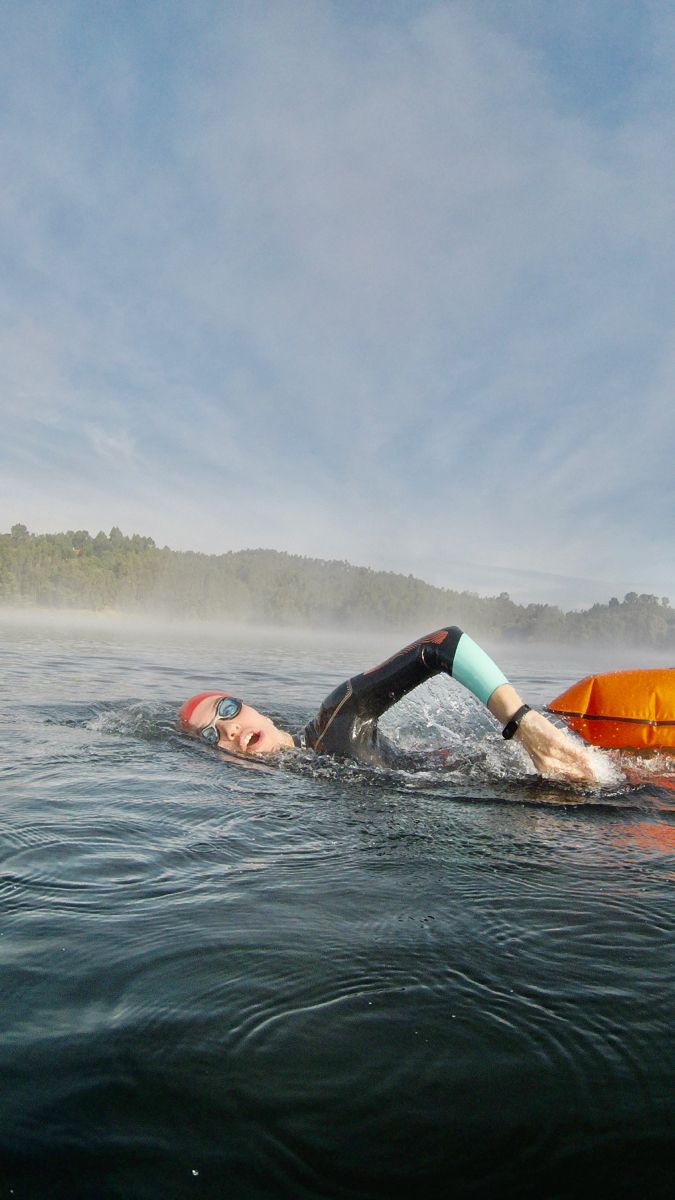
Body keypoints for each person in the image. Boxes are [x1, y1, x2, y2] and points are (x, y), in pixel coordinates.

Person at [177, 625, 597, 784]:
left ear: (254, 709)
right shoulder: (299, 779)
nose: (229, 729)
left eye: (227, 710)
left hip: (519, 772)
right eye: (212, 734)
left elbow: (442, 644)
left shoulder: (335, 719)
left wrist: (525, 725)